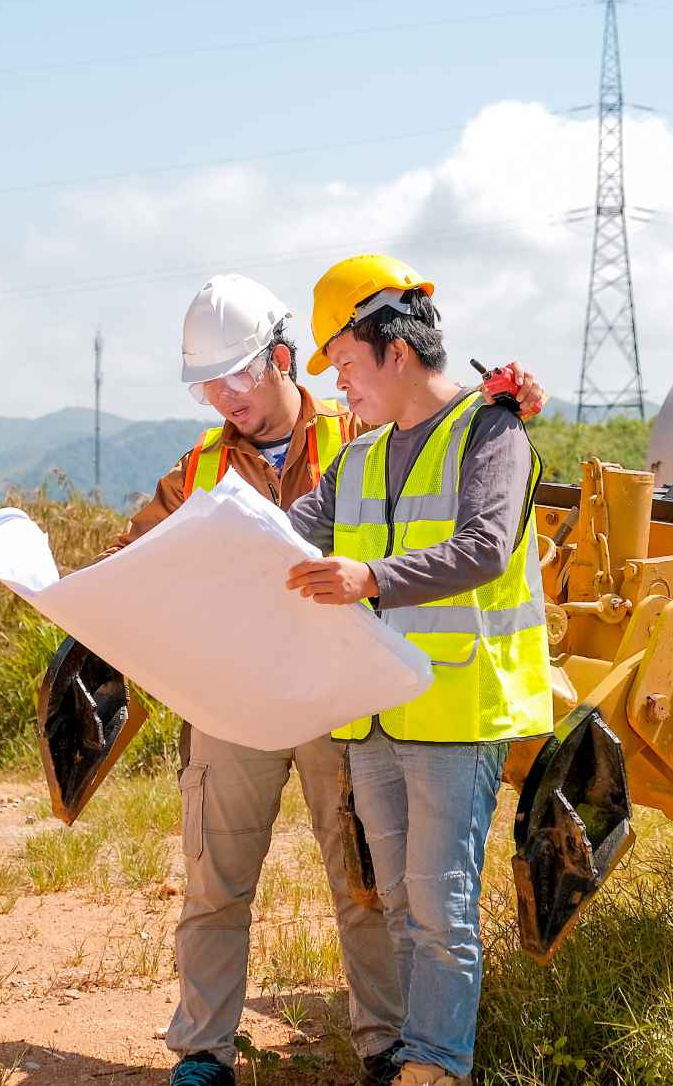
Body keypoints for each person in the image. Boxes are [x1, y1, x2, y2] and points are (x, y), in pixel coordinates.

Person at [108, 274, 544, 1086]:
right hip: (302, 705)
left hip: (393, 704)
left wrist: (368, 575)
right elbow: (247, 542)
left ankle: (407, 1055)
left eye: (235, 378)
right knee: (287, 891)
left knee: (394, 897)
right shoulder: (287, 460)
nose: (223, 399)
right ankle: (230, 1054)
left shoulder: (429, 427)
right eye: (208, 385)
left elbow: (482, 539)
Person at [283, 255, 554, 1086]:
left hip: (455, 709)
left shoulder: (492, 433)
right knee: (398, 901)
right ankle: (413, 1051)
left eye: (349, 368)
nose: (342, 390)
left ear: (396, 352)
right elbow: (281, 532)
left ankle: (438, 1065)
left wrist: (371, 578)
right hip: (374, 714)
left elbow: (482, 546)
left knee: (441, 907)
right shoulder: (357, 461)